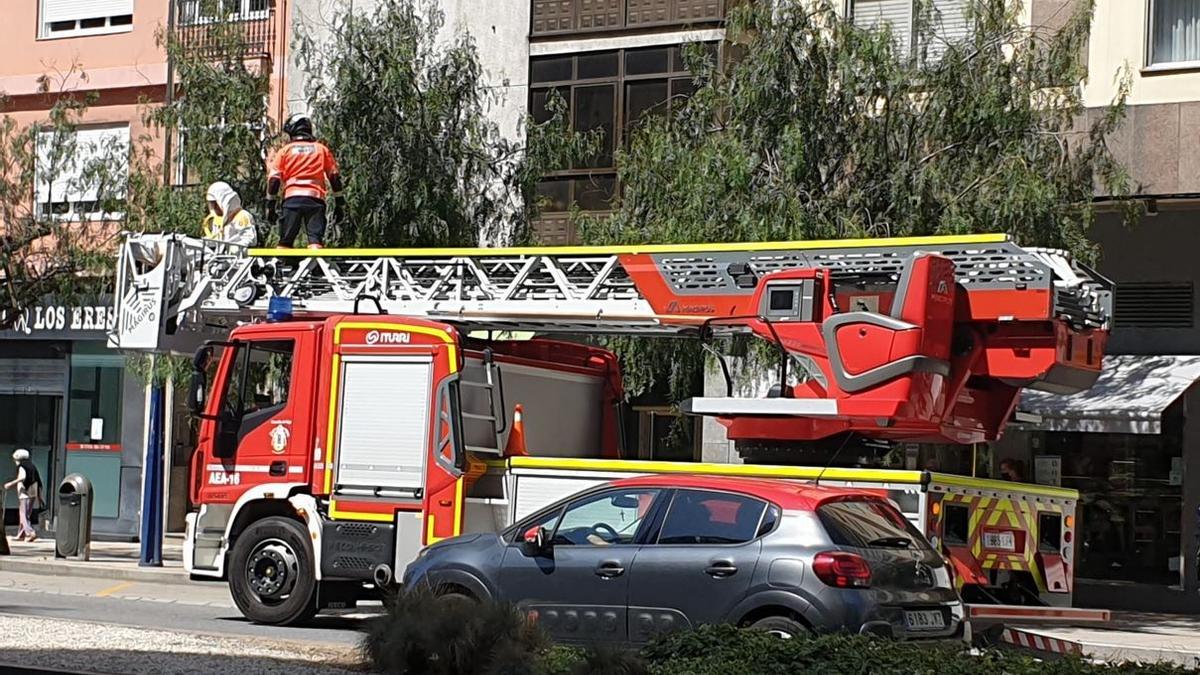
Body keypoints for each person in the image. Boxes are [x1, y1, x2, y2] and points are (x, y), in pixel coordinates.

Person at [266, 113, 345, 249]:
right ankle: (314, 268)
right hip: (315, 200)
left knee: (285, 241)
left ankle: (283, 267)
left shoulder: (285, 151)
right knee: (315, 241)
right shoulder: (321, 149)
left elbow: (274, 180)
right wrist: (340, 204)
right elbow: (334, 177)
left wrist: (270, 205)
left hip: (292, 200)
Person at [202, 181, 257, 247]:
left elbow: (250, 239)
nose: (214, 208)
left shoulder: (242, 216)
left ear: (224, 201)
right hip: (219, 256)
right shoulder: (218, 220)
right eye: (212, 204)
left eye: (215, 204)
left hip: (238, 256)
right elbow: (215, 240)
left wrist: (235, 247)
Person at [4, 449, 42, 542]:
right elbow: (38, 481)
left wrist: (10, 484)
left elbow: (22, 477)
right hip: (33, 493)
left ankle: (30, 532)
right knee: (26, 514)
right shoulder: (32, 466)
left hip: (24, 492)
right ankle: (21, 534)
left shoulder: (22, 466)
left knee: (23, 514)